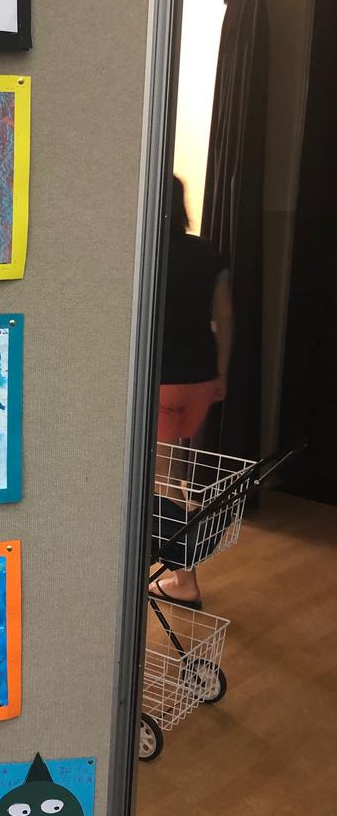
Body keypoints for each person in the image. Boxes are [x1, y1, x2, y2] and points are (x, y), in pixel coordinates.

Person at [149, 175, 233, 609]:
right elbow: (225, 316)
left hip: (160, 378)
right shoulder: (207, 252)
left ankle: (185, 579)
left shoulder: (147, 248)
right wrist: (221, 373)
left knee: (161, 483)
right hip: (200, 377)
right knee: (173, 473)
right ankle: (173, 568)